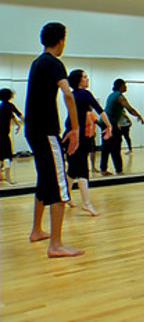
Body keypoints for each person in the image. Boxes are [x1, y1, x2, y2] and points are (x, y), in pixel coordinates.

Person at [25, 22, 84, 258]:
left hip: (33, 130)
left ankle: (37, 230)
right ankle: (56, 245)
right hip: (47, 132)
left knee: (45, 179)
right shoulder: (54, 63)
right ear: (61, 40)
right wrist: (76, 128)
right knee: (60, 184)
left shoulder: (37, 63)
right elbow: (68, 93)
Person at [63, 69, 112, 216]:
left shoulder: (74, 94)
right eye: (85, 77)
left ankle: (66, 197)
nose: (87, 79)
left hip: (70, 134)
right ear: (79, 80)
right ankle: (87, 203)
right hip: (77, 137)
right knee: (82, 169)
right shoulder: (85, 94)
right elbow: (100, 110)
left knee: (73, 169)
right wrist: (108, 125)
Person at [101, 79, 144, 176]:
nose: (126, 87)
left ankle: (104, 169)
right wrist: (138, 116)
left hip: (107, 123)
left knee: (107, 147)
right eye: (125, 85)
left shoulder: (112, 95)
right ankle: (119, 170)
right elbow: (129, 109)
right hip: (109, 124)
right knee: (115, 146)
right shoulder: (119, 96)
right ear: (120, 86)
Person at [0, 88, 24, 184]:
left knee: (1, 156)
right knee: (8, 156)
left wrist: (18, 125)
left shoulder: (2, 106)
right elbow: (19, 115)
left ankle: (2, 176)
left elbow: (12, 116)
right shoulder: (10, 106)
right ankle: (8, 177)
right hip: (4, 136)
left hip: (2, 135)